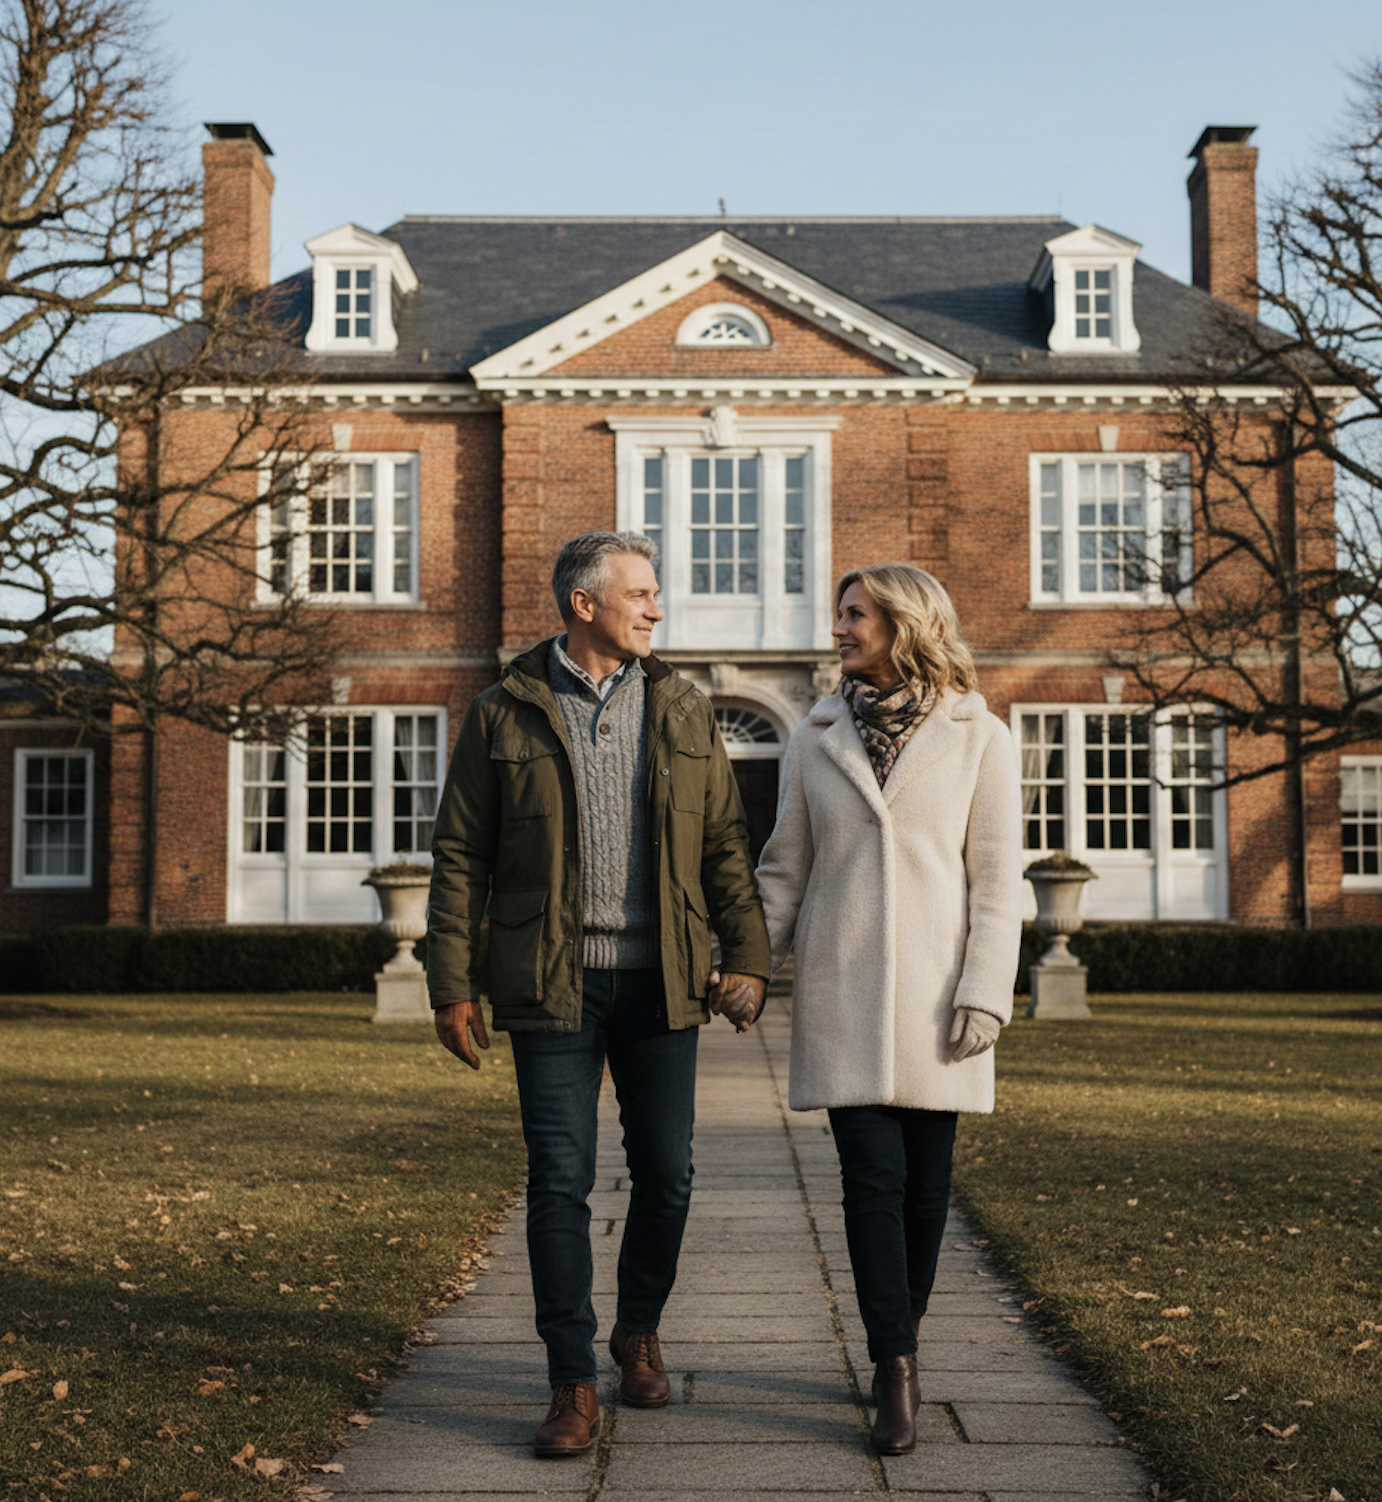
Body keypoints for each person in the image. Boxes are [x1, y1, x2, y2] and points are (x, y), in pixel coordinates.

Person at [427, 531, 769, 1458]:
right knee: (559, 1183)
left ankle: (638, 1331)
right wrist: (450, 981)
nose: (657, 608)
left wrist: (748, 957)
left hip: (663, 984)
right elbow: (459, 853)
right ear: (585, 605)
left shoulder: (687, 708)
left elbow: (725, 846)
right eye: (642, 594)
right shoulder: (503, 712)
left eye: (656, 595)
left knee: (669, 1173)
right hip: (551, 985)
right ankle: (571, 1381)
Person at [751, 562, 1022, 1455]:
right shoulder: (814, 732)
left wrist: (987, 989)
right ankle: (895, 1364)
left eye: (855, 614)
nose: (839, 627)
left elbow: (996, 880)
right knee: (869, 1178)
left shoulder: (979, 736)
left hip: (943, 999)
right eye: (839, 613)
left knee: (926, 1190)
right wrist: (749, 967)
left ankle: (896, 1336)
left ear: (906, 623)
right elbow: (784, 868)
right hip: (840, 991)